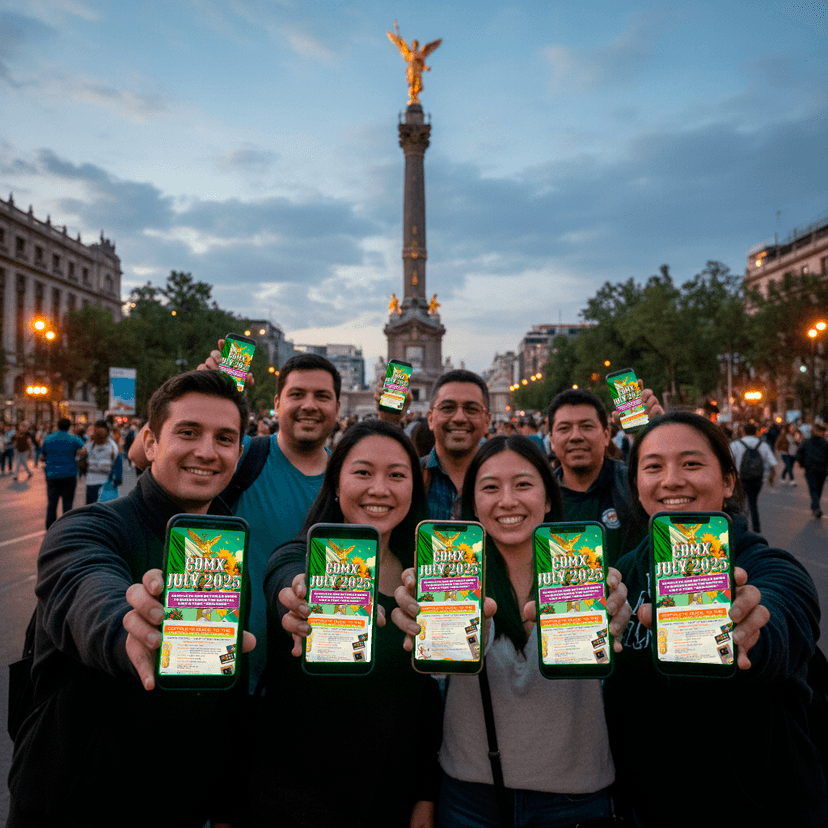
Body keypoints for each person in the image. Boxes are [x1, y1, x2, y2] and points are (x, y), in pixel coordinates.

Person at [7, 370, 254, 827]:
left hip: (180, 807)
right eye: (188, 432)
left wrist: (225, 806)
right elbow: (85, 589)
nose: (207, 451)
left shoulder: (227, 550)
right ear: (150, 443)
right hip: (71, 805)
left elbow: (225, 697)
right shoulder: (87, 527)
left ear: (239, 455)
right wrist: (128, 627)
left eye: (225, 438)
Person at [392, 434, 631, 827]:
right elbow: (439, 669)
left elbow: (607, 660)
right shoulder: (447, 575)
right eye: (490, 488)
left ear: (549, 497)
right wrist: (430, 629)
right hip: (470, 797)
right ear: (472, 504)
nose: (507, 500)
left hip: (575, 798)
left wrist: (614, 617)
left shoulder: (584, 571)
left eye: (523, 484)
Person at [605, 411, 826, 827]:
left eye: (691, 463)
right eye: (653, 467)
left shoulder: (770, 567)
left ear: (727, 481)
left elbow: (782, 620)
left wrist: (748, 631)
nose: (672, 480)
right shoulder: (621, 578)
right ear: (636, 485)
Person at [253, 419, 441, 827]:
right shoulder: (297, 557)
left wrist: (425, 796)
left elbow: (424, 698)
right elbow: (286, 581)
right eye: (363, 473)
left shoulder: (426, 579)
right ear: (336, 484)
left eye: (397, 475)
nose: (380, 488)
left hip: (390, 801)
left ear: (414, 488)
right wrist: (299, 599)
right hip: (296, 802)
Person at [130, 350, 343, 691]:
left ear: (338, 407)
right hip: (218, 664)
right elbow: (140, 454)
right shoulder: (242, 454)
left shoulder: (347, 479)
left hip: (303, 677)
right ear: (277, 403)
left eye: (322, 396)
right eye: (297, 394)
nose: (309, 405)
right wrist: (195, 388)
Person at [546, 387, 663, 566]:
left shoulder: (636, 484)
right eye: (564, 428)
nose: (575, 436)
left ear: (607, 434)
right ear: (552, 441)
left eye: (586, 426)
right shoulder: (540, 498)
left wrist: (659, 434)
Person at [422, 369, 492, 520]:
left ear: (487, 422)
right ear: (430, 419)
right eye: (448, 408)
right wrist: (389, 418)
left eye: (471, 409)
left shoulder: (505, 480)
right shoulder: (409, 476)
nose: (459, 418)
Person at [38, 418, 85, 528]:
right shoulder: (74, 439)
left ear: (57, 425)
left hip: (52, 475)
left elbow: (42, 456)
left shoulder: (48, 438)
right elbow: (85, 449)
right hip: (69, 474)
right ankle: (66, 527)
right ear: (69, 427)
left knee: (52, 503)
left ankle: (50, 527)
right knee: (67, 503)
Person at [730, 421, 776, 533]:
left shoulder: (735, 445)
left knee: (740, 504)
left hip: (740, 479)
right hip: (757, 479)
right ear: (756, 432)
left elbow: (728, 461)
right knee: (753, 502)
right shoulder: (763, 445)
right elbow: (773, 463)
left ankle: (742, 527)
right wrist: (771, 477)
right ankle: (756, 527)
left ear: (743, 432)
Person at [77, 419, 119, 503]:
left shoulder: (111, 445)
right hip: (93, 481)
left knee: (96, 507)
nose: (98, 433)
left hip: (104, 482)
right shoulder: (91, 444)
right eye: (96, 431)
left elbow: (116, 461)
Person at [796, 421, 828, 518]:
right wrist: (802, 463)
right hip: (815, 469)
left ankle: (815, 506)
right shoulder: (809, 442)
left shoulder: (823, 443)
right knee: (815, 489)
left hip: (817, 469)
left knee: (817, 489)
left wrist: (802, 463)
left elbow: (799, 453)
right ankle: (816, 507)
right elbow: (800, 453)